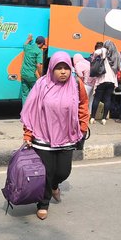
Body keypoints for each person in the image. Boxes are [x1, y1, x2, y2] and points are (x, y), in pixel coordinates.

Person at [20, 51, 89, 220]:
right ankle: (43, 203)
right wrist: (28, 134)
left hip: (67, 134)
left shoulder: (76, 84)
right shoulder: (41, 84)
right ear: (51, 69)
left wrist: (83, 126)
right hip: (43, 135)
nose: (63, 71)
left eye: (66, 67)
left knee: (63, 171)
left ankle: (55, 186)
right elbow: (31, 109)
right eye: (59, 68)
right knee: (47, 172)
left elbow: (83, 105)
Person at [90, 40, 121, 125]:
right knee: (107, 99)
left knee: (97, 98)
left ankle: (92, 117)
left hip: (102, 78)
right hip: (112, 80)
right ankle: (104, 119)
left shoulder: (104, 50)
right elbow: (120, 67)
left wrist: (100, 55)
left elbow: (96, 52)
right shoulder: (117, 54)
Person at [21, 34, 45, 104]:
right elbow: (38, 65)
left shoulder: (28, 47)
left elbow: (24, 44)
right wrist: (41, 76)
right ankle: (32, 111)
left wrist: (29, 39)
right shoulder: (39, 51)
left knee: (25, 94)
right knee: (35, 94)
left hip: (23, 73)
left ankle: (24, 113)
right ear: (41, 44)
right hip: (31, 76)